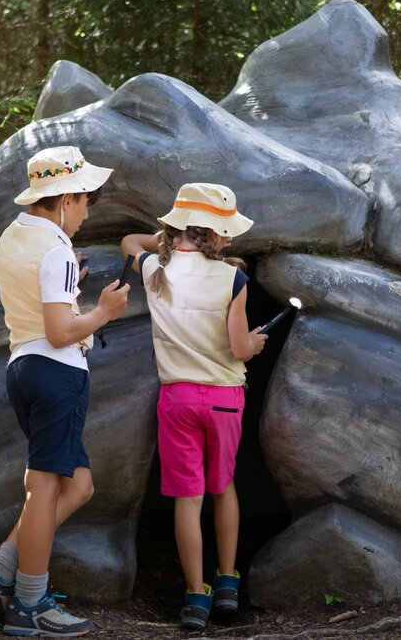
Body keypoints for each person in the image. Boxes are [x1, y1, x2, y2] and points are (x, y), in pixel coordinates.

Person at [0, 145, 129, 637]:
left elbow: (35, 302)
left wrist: (65, 272)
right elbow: (60, 331)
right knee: (42, 488)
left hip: (23, 367)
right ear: (65, 199)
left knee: (77, 486)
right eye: (84, 202)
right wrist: (103, 312)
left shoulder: (15, 237)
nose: (86, 212)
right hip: (56, 370)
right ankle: (29, 603)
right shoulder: (55, 251)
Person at [120, 182, 267, 631]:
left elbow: (129, 242)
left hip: (177, 398)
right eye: (225, 231)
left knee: (189, 498)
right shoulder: (234, 278)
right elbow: (240, 348)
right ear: (215, 233)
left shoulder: (153, 270)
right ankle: (227, 583)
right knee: (223, 487)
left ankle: (195, 597)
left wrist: (164, 240)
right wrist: (258, 343)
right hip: (224, 399)